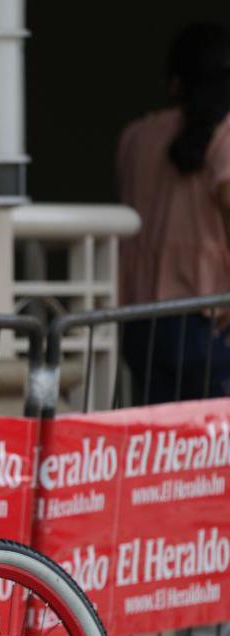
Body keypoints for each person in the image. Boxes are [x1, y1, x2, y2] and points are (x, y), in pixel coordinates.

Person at [117, 21, 230, 404]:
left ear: (175, 82)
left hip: (140, 319)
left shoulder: (135, 137)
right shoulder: (225, 137)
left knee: (158, 447)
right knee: (213, 451)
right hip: (205, 317)